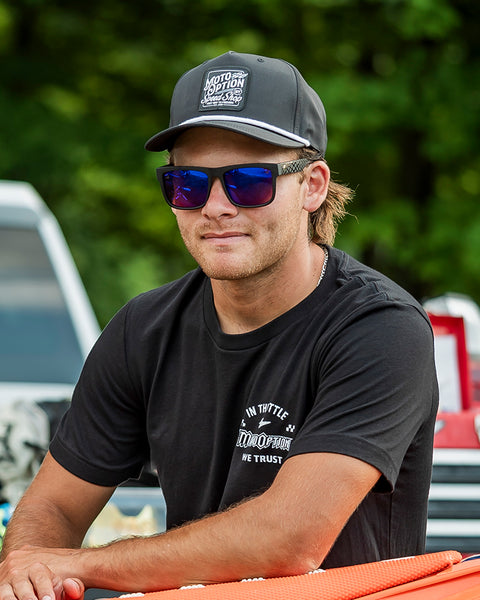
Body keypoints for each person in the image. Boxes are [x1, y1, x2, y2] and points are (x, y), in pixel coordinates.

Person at [0, 51, 438, 600]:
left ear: (313, 186)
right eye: (187, 184)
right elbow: (54, 508)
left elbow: (288, 540)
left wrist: (80, 565)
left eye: (247, 182)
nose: (215, 207)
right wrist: (30, 569)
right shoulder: (142, 330)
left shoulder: (380, 328)